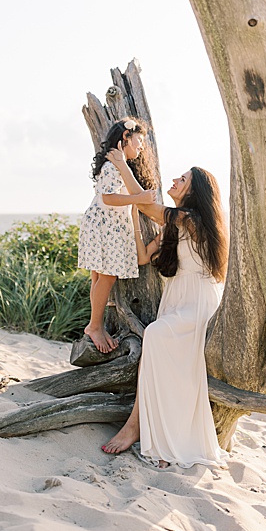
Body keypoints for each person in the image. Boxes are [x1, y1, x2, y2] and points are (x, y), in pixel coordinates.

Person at [99, 167, 229, 469]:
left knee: (156, 336)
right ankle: (139, 425)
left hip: (196, 301)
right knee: (163, 354)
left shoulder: (192, 220)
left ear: (194, 191)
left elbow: (149, 206)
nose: (174, 181)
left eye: (181, 180)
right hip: (177, 298)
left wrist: (123, 169)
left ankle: (136, 426)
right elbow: (143, 257)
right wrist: (133, 215)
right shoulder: (174, 225)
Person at [79, 118, 158, 354]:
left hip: (105, 223)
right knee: (106, 277)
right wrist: (138, 198)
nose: (142, 147)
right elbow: (109, 198)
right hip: (105, 224)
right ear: (125, 137)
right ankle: (94, 326)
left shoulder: (117, 162)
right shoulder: (113, 164)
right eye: (139, 141)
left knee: (99, 276)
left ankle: (96, 325)